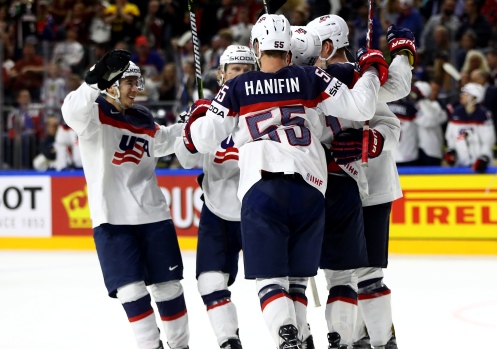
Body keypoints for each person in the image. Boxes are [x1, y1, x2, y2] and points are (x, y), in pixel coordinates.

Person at [183, 14, 386, 349]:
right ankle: (331, 339)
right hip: (310, 189)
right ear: (289, 51)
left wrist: (200, 116)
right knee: (299, 280)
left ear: (256, 47)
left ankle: (287, 338)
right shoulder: (311, 77)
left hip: (262, 188)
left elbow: (202, 140)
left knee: (271, 280)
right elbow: (362, 106)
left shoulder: (236, 87)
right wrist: (370, 71)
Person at [61, 51, 189, 349]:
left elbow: (161, 141)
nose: (136, 88)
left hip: (153, 215)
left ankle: (180, 346)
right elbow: (71, 111)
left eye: (136, 81)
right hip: (112, 219)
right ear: (111, 85)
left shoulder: (142, 115)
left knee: (169, 287)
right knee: (130, 290)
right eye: (129, 82)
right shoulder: (93, 114)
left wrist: (189, 123)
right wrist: (95, 78)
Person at [306, 16, 414, 349]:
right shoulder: (311, 79)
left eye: (309, 49)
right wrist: (403, 56)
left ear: (325, 47)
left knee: (366, 273)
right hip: (330, 188)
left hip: (371, 187)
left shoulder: (361, 76)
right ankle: (358, 340)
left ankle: (379, 341)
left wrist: (372, 140)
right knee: (341, 275)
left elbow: (391, 125)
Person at [175, 45, 256, 349]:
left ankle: (298, 336)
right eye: (235, 69)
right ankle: (228, 341)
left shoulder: (267, 106)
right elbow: (185, 159)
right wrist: (191, 130)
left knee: (280, 282)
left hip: (258, 209)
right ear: (222, 74)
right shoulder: (209, 113)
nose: (241, 75)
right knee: (209, 282)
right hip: (217, 212)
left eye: (247, 70)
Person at [444, 83, 496, 173]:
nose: (461, 95)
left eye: (465, 93)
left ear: (474, 97)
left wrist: (484, 156)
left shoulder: (484, 114)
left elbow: (489, 140)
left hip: (480, 166)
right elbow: (450, 136)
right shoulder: (456, 113)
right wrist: (451, 151)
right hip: (460, 166)